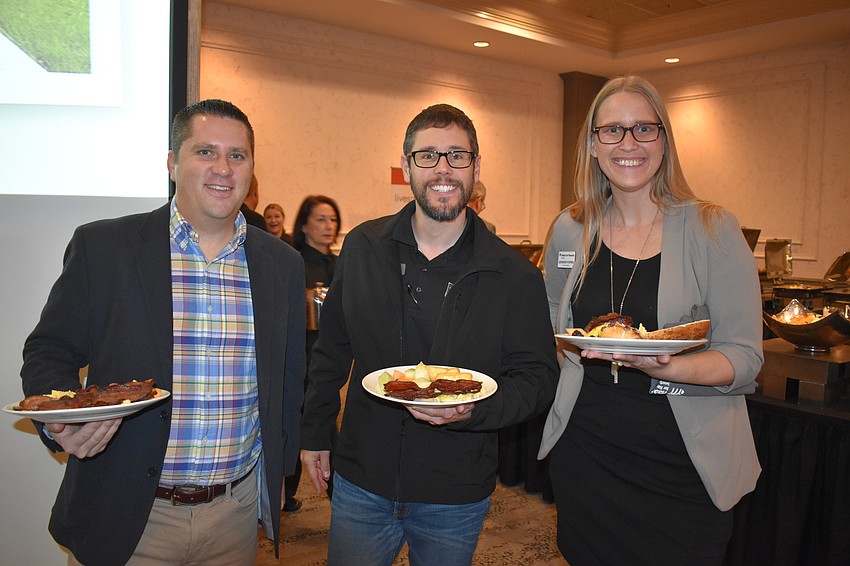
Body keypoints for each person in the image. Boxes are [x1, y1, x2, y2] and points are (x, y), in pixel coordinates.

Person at [20, 99, 306, 566]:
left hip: (234, 516)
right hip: (129, 514)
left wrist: (278, 477)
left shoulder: (282, 264)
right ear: (173, 163)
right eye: (205, 151)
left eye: (237, 155)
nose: (223, 168)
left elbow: (289, 384)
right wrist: (62, 419)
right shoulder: (105, 246)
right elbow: (49, 349)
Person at [300, 103, 558, 565]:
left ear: (475, 166)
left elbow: (537, 380)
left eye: (457, 155)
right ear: (407, 167)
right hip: (363, 478)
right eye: (428, 155)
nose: (443, 168)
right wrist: (315, 431)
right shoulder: (363, 247)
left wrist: (474, 410)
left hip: (455, 490)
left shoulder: (514, 275)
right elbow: (331, 350)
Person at [538, 75, 763, 566]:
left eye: (644, 128)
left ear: (664, 140)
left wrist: (667, 366)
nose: (629, 143)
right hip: (588, 453)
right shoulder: (569, 229)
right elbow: (553, 321)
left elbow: (745, 356)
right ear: (592, 144)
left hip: (681, 463)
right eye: (612, 130)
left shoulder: (713, 228)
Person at [283, 194, 343, 510]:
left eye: (332, 219)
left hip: (328, 361)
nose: (328, 225)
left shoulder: (340, 264)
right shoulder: (293, 262)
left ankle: (288, 493)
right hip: (299, 361)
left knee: (315, 425)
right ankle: (339, 499)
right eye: (321, 219)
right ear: (304, 225)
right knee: (305, 428)